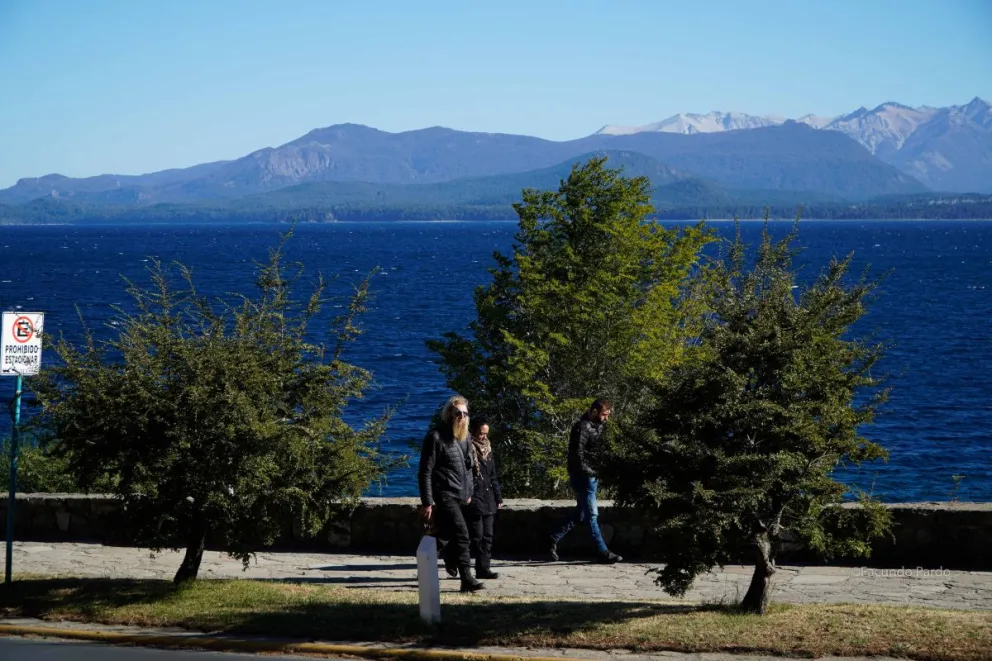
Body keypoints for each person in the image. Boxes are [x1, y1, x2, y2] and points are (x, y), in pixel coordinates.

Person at [418, 395, 485, 592]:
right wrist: (427, 502)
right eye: (458, 413)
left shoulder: (465, 438)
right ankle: (467, 579)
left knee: (448, 535)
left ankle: (429, 565)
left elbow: (468, 468)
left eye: (465, 413)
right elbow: (425, 471)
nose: (462, 417)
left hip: (463, 496)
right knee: (462, 534)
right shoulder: (435, 437)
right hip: (445, 494)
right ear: (449, 415)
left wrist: (470, 492)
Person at [548, 399, 622, 564]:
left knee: (581, 513)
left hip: (593, 475)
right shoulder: (581, 427)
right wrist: (589, 472)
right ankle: (602, 551)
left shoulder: (601, 426)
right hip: (582, 476)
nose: (606, 418)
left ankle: (552, 538)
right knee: (591, 514)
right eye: (604, 415)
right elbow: (576, 455)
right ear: (594, 411)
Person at [466, 415, 502, 579]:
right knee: (476, 536)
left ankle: (483, 568)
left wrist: (498, 496)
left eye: (486, 433)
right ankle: (463, 565)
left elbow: (493, 474)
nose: (484, 437)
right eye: (481, 433)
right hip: (475, 496)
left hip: (488, 497)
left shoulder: (488, 448)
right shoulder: (467, 448)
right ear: (473, 431)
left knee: (488, 536)